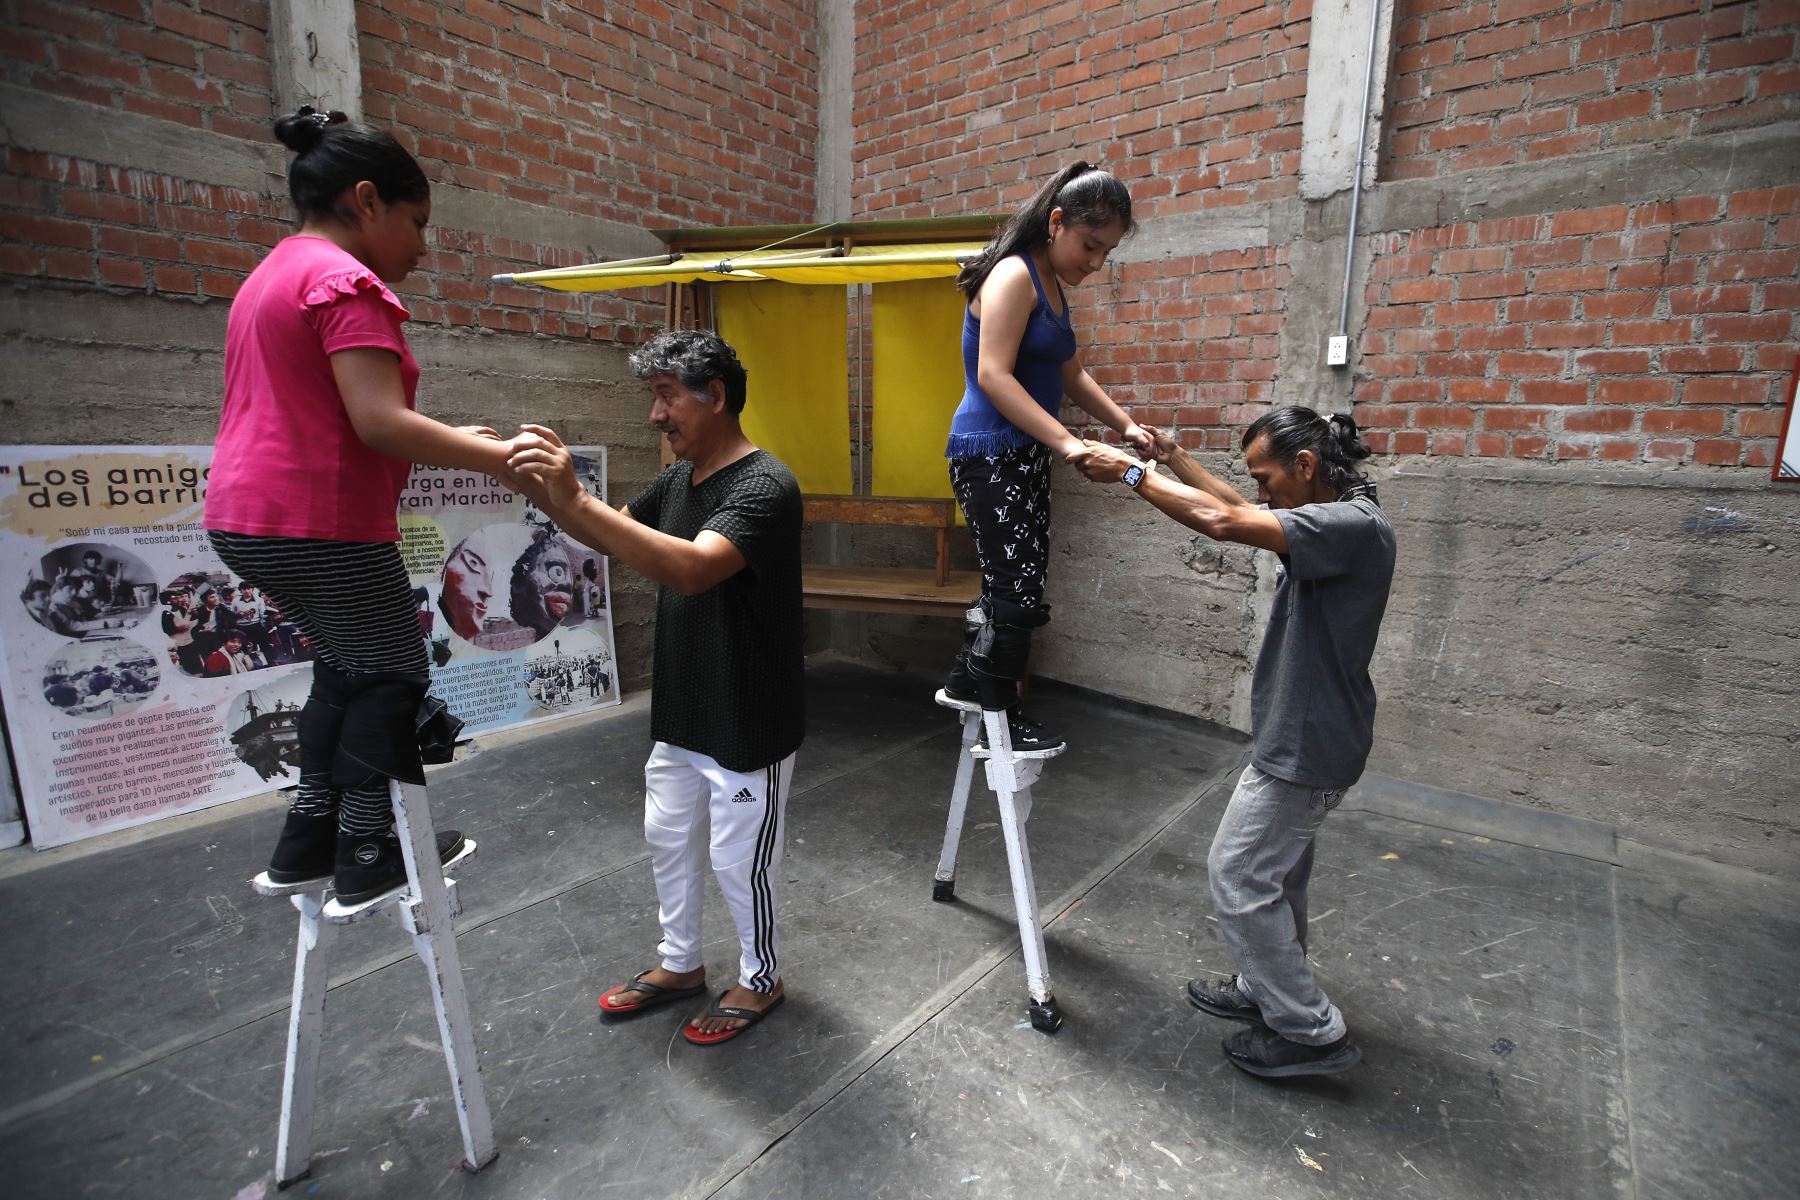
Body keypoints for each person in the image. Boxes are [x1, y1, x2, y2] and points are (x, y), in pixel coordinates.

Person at [202, 105, 523, 905]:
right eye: (417, 222)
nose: (422, 245)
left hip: (248, 516)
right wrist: (511, 460)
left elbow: (329, 411)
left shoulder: (271, 275)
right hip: (319, 520)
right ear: (368, 200)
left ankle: (308, 839)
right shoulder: (347, 281)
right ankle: (371, 854)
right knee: (392, 671)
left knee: (345, 670)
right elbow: (376, 421)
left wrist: (450, 436)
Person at [1075, 408, 1396, 1078]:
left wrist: (1132, 472)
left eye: (1267, 475)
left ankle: (1311, 1032)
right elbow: (1241, 511)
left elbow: (1224, 523)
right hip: (1308, 733)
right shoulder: (1339, 515)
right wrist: (1171, 458)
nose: (1261, 490)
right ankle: (1266, 986)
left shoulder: (1352, 527)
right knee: (1276, 877)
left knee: (1239, 875)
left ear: (1305, 466)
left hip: (1308, 744)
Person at [507, 329, 804, 1046]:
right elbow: (610, 535)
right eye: (654, 398)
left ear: (718, 396)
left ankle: (761, 978)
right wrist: (539, 486)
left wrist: (573, 494)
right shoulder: (679, 481)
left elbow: (691, 568)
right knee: (668, 839)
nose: (655, 415)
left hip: (747, 717)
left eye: (667, 397)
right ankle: (680, 965)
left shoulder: (765, 484)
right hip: (683, 709)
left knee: (739, 860)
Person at [942, 162, 1154, 753]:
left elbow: (1072, 373)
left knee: (1015, 580)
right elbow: (993, 376)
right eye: (1090, 246)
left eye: (1106, 252)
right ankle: (998, 711)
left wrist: (1127, 426)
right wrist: (1067, 442)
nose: (1095, 263)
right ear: (1056, 221)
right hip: (987, 451)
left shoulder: (1052, 284)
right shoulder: (1013, 276)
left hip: (1023, 452)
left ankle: (967, 680)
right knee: (1017, 587)